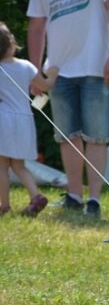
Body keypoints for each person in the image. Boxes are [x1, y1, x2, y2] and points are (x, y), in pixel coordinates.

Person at [27, 0, 109, 218]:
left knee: (97, 136)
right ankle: (73, 195)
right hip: (58, 71)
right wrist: (35, 71)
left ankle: (93, 200)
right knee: (67, 135)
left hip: (97, 67)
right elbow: (36, 27)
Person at [0, 22, 58, 217]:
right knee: (19, 165)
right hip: (25, 119)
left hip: (3, 119)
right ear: (11, 44)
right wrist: (53, 72)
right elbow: (46, 85)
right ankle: (35, 195)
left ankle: (4, 205)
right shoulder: (26, 66)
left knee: (2, 165)